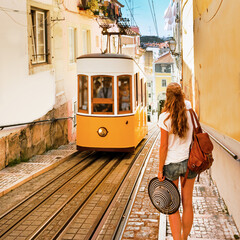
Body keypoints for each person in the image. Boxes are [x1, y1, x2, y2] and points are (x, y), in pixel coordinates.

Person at [157, 82, 197, 240]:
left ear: (167, 97)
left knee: (173, 207)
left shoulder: (164, 117)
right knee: (188, 203)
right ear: (181, 95)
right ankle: (185, 237)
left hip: (171, 164)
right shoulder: (190, 110)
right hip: (189, 162)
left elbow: (163, 147)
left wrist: (160, 169)